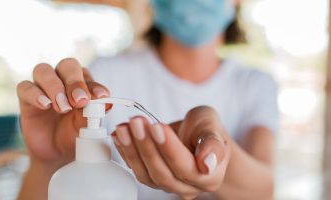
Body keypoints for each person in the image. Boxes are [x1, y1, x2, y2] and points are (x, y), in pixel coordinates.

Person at [17, 0, 278, 199]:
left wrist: (216, 148)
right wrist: (48, 162)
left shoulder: (255, 83)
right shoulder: (104, 76)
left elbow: (264, 189)